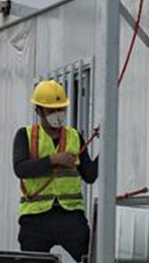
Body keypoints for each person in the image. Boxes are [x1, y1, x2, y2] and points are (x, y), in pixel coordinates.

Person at [13, 80, 97, 262]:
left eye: (61, 109)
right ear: (38, 111)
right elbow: (20, 168)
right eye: (51, 110)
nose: (57, 115)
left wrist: (104, 154)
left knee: (90, 258)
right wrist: (53, 160)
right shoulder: (25, 135)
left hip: (70, 215)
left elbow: (89, 175)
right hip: (35, 218)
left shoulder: (75, 136)